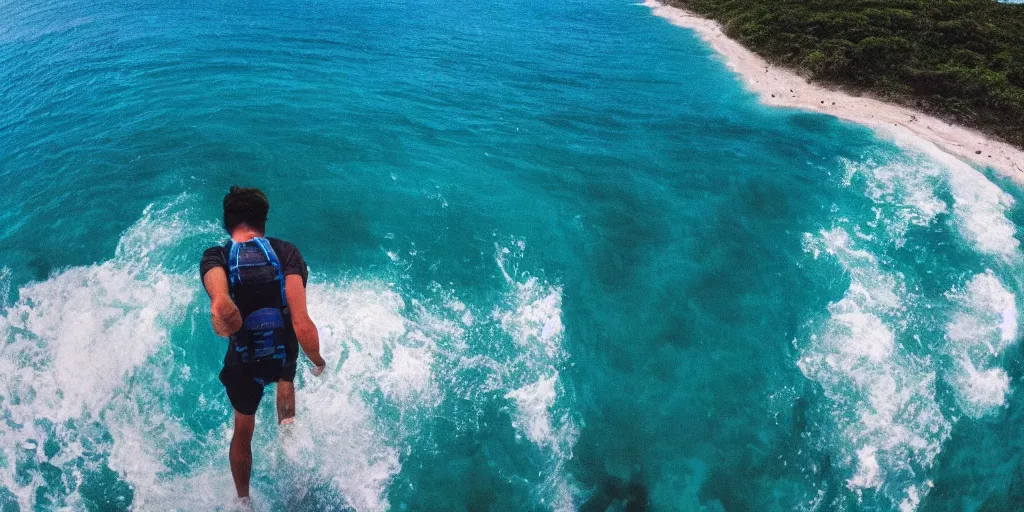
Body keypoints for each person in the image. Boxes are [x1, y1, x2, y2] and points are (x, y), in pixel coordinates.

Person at [200, 186, 327, 502]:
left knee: (243, 429)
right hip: (282, 349)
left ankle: (243, 501)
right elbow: (301, 323)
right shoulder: (286, 252)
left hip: (244, 361)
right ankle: (289, 446)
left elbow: (213, 273)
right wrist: (318, 361)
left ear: (227, 222)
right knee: (286, 382)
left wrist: (220, 299)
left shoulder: (216, 254)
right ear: (264, 220)